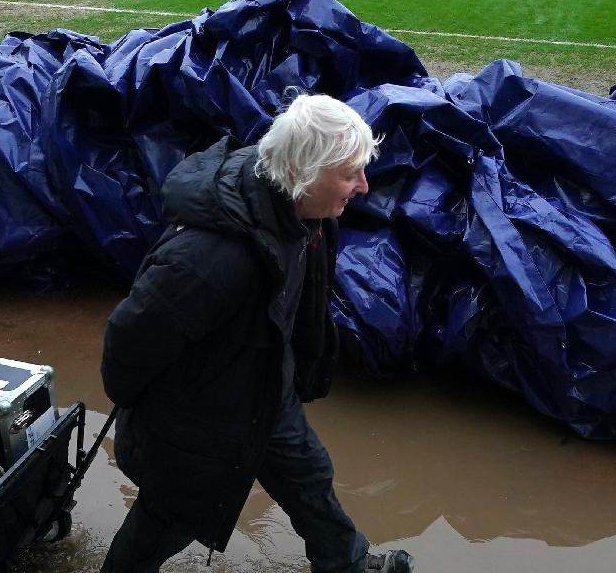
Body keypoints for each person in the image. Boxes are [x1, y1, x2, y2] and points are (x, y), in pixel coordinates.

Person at [99, 94, 414, 573]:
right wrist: (152, 414)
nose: (364, 187)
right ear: (306, 172)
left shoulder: (303, 209)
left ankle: (346, 564)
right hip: (200, 420)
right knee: (169, 521)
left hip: (264, 386)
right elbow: (128, 340)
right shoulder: (209, 259)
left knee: (309, 476)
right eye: (351, 174)